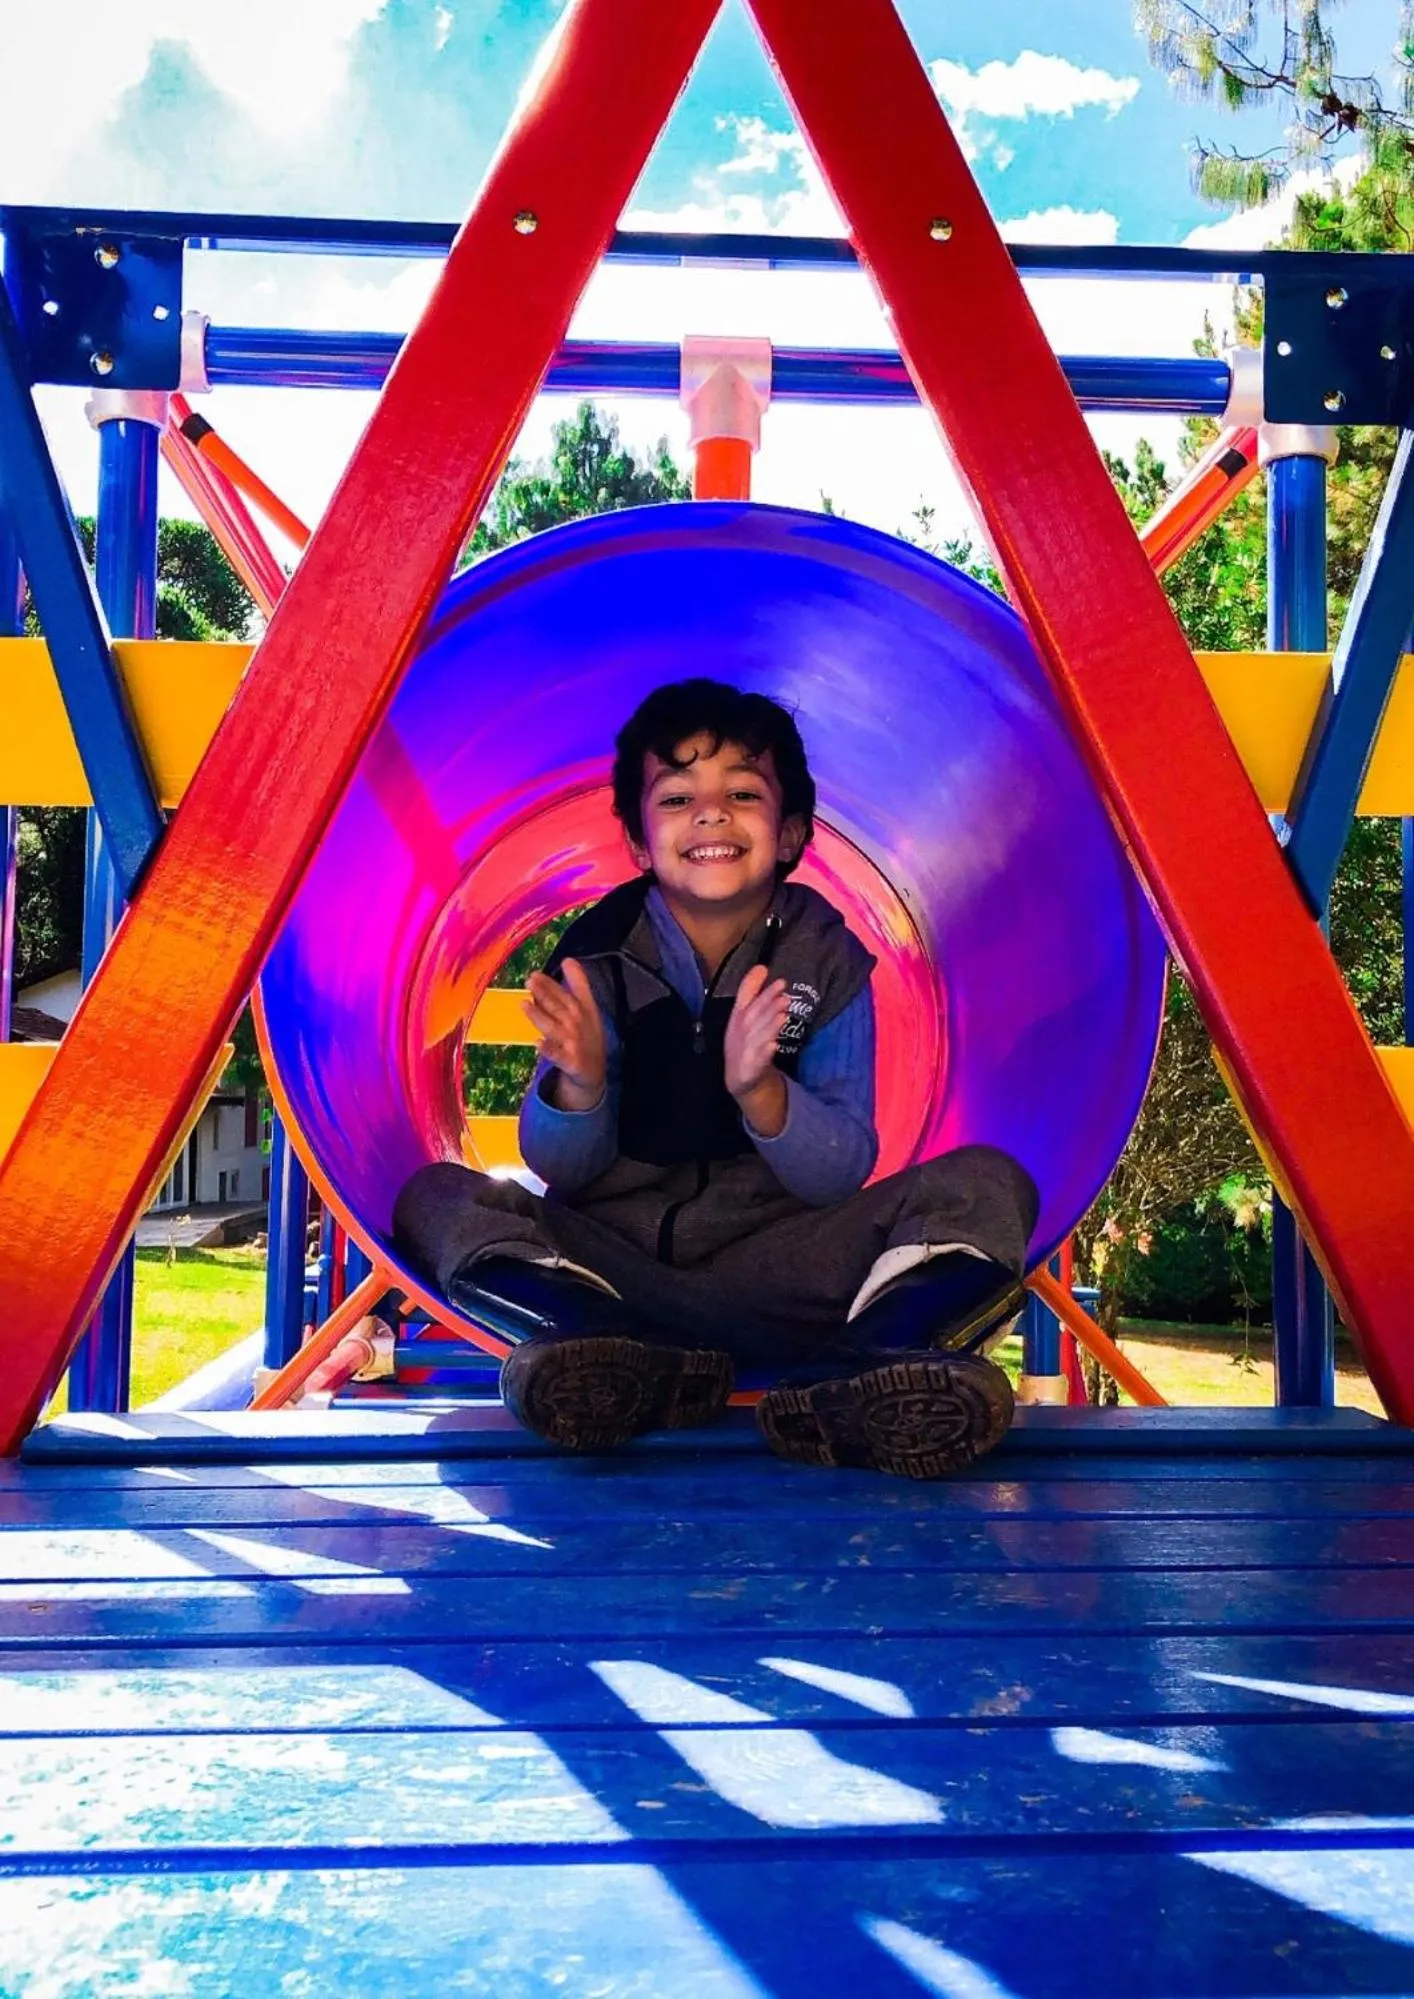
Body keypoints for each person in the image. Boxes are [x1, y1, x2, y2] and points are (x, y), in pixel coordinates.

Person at [394, 678, 1038, 1478]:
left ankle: (871, 1363)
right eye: (677, 798)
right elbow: (562, 1165)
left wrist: (761, 1094)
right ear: (638, 842)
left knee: (989, 1183)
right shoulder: (599, 956)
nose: (710, 814)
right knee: (435, 1195)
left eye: (742, 792)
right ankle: (588, 1343)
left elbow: (842, 1167)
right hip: (613, 1274)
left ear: (791, 830)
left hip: (785, 1273)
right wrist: (581, 1085)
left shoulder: (825, 960)